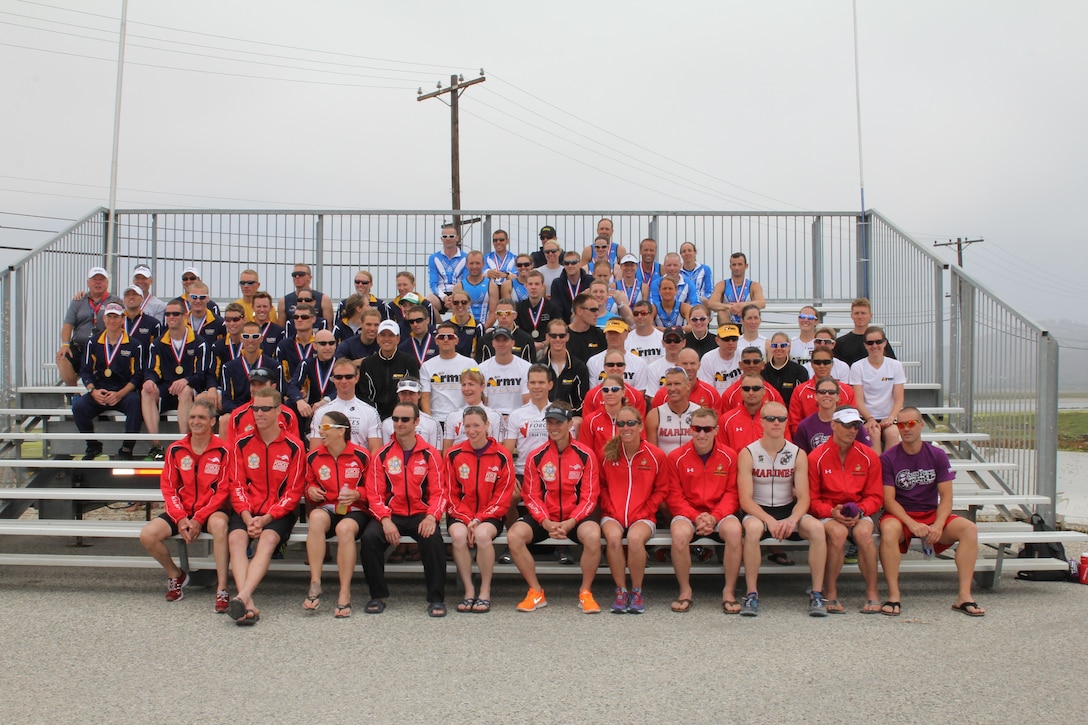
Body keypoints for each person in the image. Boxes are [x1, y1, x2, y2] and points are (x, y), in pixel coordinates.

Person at [878, 406, 984, 618]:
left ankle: (964, 596)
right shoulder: (888, 458)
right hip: (902, 516)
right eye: (901, 424)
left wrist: (937, 524)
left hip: (930, 514)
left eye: (911, 424)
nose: (906, 429)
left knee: (969, 529)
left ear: (921, 425)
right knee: (888, 530)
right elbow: (888, 500)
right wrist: (911, 523)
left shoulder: (937, 455)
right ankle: (893, 595)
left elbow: (946, 497)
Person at [737, 401, 828, 617]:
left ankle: (816, 593)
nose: (776, 423)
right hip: (758, 511)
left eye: (781, 419)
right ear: (762, 422)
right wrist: (768, 519)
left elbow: (805, 497)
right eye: (770, 419)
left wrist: (792, 519)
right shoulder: (748, 453)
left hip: (788, 509)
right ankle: (751, 594)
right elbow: (745, 500)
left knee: (816, 529)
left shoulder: (797, 453)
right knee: (752, 530)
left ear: (787, 422)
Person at [509, 403, 602, 614]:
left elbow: (590, 497)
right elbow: (531, 496)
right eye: (549, 422)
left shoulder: (586, 455)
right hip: (546, 518)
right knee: (514, 535)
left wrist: (571, 522)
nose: (553, 427)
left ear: (570, 424)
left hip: (575, 518)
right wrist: (545, 521)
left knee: (593, 535)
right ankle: (535, 591)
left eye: (558, 422)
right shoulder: (536, 456)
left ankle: (585, 592)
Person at [139, 399, 231, 611]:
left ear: (212, 422)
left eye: (201, 417)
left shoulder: (224, 450)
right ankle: (176, 575)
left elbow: (223, 491)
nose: (196, 421)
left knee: (219, 526)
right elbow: (169, 488)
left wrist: (199, 518)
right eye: (192, 417)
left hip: (212, 511)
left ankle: (223, 588)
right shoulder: (175, 449)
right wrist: (180, 517)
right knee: (147, 535)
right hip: (181, 511)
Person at [225, 387, 306, 625]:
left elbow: (293, 492)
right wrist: (248, 516)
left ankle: (242, 598)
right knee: (236, 540)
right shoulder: (241, 443)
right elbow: (236, 484)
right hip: (247, 509)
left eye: (265, 409)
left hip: (277, 513)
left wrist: (267, 518)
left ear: (279, 411)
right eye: (255, 408)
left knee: (268, 540)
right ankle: (246, 602)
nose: (259, 413)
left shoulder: (295, 446)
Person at [360, 402, 448, 617]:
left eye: (405, 419)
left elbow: (439, 492)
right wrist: (385, 519)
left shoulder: (430, 454)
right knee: (370, 537)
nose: (399, 423)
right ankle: (377, 595)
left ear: (416, 422)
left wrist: (431, 517)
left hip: (421, 513)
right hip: (391, 514)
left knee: (433, 540)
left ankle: (436, 598)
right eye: (395, 419)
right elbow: (374, 494)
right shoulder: (381, 455)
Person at [665, 406, 744, 613]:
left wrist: (715, 517)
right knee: (680, 534)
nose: (701, 434)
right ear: (690, 430)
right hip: (688, 512)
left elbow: (732, 493)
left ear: (716, 430)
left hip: (720, 512)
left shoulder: (730, 456)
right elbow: (674, 496)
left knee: (735, 532)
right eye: (697, 429)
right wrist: (696, 516)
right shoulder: (676, 457)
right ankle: (685, 590)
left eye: (707, 429)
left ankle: (729, 591)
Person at [807, 406, 883, 614]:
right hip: (829, 511)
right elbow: (812, 500)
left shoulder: (869, 456)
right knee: (838, 533)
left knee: (865, 534)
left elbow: (876, 496)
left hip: (859, 511)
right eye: (847, 425)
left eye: (856, 425)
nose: (852, 430)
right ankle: (830, 592)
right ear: (833, 425)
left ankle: (872, 592)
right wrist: (831, 512)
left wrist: (860, 510)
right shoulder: (816, 457)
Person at [302, 410, 372, 618]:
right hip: (329, 507)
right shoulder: (314, 456)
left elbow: (376, 489)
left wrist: (358, 493)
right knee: (315, 518)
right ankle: (315, 582)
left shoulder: (361, 455)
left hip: (356, 509)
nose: (320, 433)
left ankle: (344, 591)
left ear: (341, 431)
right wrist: (311, 490)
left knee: (344, 529)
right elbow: (309, 483)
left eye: (325, 428)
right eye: (319, 428)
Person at [599, 405, 669, 613]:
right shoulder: (607, 453)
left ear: (640, 426)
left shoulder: (656, 455)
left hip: (643, 515)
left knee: (636, 539)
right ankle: (621, 591)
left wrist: (646, 510)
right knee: (612, 538)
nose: (626, 427)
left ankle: (636, 591)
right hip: (613, 514)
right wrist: (611, 509)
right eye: (621, 423)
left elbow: (661, 489)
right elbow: (601, 486)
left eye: (631, 423)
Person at [445, 406, 515, 614]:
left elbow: (503, 497)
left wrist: (479, 518)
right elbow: (450, 493)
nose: (472, 430)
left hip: (490, 514)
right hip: (460, 514)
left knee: (483, 535)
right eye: (467, 426)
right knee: (458, 536)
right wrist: (467, 519)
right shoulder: (453, 454)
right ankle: (468, 590)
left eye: (476, 425)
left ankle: (485, 589)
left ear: (487, 426)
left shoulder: (502, 455)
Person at [142, 298, 213, 460]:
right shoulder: (158, 343)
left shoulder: (199, 343)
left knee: (185, 391)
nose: (171, 317)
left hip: (190, 390)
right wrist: (150, 380)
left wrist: (186, 380)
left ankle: (184, 444)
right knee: (146, 392)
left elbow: (202, 374)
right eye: (168, 314)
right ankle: (156, 446)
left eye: (175, 313)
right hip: (166, 389)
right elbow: (153, 369)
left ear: (185, 316)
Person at [73, 302, 145, 460]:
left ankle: (127, 447)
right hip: (100, 391)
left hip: (123, 392)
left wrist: (120, 394)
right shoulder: (93, 342)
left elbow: (138, 375)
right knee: (78, 406)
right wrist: (93, 391)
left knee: (135, 402)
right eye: (109, 316)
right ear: (104, 319)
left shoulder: (134, 345)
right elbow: (85, 370)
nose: (112, 320)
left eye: (116, 317)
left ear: (122, 319)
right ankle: (93, 445)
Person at [57, 266, 121, 386]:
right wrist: (65, 344)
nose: (98, 282)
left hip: (102, 347)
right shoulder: (78, 300)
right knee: (62, 357)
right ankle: (73, 393)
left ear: (107, 283)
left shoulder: (115, 301)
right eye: (94, 279)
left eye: (101, 279)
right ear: (88, 282)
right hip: (79, 346)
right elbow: (67, 324)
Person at [305, 357, 382, 452]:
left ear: (357, 378)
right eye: (339, 377)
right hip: (330, 465)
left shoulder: (371, 412)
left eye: (348, 376)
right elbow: (315, 451)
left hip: (359, 465)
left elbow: (375, 451)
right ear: (333, 379)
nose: (344, 381)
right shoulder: (321, 412)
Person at [850, 325, 906, 453]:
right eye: (870, 343)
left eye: (878, 342)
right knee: (873, 432)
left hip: (889, 418)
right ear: (865, 345)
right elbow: (858, 400)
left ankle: (889, 470)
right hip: (866, 418)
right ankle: (875, 469)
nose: (874, 346)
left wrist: (891, 418)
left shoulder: (895, 366)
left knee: (892, 433)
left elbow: (899, 398)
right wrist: (869, 419)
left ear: (885, 343)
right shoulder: (857, 367)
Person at [357, 319, 420, 419]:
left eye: (391, 335)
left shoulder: (409, 361)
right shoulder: (368, 363)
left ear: (398, 338)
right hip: (373, 416)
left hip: (401, 416)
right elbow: (363, 395)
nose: (386, 339)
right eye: (383, 335)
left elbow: (413, 392)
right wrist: (374, 414)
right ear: (377, 338)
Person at [219, 321, 283, 418]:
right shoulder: (228, 368)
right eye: (246, 336)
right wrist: (244, 413)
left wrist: (261, 411)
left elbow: (279, 396)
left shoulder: (275, 366)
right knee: (225, 419)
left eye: (255, 336)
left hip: (266, 412)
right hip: (240, 413)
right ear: (241, 338)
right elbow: (226, 401)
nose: (250, 340)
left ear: (261, 339)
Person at [793, 376, 872, 454]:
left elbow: (867, 452)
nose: (827, 395)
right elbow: (800, 456)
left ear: (838, 397)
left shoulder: (853, 422)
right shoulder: (805, 426)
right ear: (815, 396)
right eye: (822, 392)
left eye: (831, 392)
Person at [476, 327, 531, 438]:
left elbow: (527, 401)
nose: (501, 344)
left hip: (518, 417)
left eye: (505, 340)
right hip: (491, 418)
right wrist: (497, 419)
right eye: (498, 340)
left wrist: (512, 419)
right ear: (493, 343)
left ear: (512, 342)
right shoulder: (482, 368)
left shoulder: (526, 367)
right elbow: (483, 401)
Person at [419, 321, 475, 428]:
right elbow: (425, 397)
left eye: (450, 337)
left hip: (463, 418)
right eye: (441, 337)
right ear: (436, 341)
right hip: (437, 419)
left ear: (456, 340)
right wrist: (430, 422)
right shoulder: (427, 366)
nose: (445, 339)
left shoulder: (470, 364)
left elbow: (476, 394)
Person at [788, 349, 857, 436]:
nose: (822, 366)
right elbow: (795, 423)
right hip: (809, 440)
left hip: (840, 439)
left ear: (832, 364)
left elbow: (852, 419)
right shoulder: (800, 391)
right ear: (812, 364)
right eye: (817, 362)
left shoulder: (847, 390)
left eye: (826, 362)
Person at [538, 318, 590, 419]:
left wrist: (565, 415)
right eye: (553, 336)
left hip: (570, 418)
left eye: (562, 336)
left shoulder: (579, 367)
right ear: (547, 337)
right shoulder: (539, 367)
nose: (558, 339)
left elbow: (582, 401)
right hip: (543, 417)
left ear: (567, 337)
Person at [287, 328, 341, 423]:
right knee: (290, 404)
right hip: (311, 409)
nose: (328, 347)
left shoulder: (341, 364)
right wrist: (299, 400)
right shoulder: (307, 364)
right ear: (315, 346)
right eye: (323, 344)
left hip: (334, 406)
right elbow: (293, 386)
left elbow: (346, 388)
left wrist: (326, 400)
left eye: (331, 343)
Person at [444, 368, 502, 452]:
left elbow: (499, 450)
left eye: (471, 384)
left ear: (482, 386)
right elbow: (447, 452)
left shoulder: (495, 416)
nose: (466, 389)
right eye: (463, 385)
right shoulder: (452, 416)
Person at [645, 366, 699, 454]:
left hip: (693, 466)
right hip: (666, 466)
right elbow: (652, 454)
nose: (672, 389)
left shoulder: (699, 412)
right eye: (669, 384)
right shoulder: (655, 415)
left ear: (688, 386)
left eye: (677, 384)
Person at [580, 351, 647, 421]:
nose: (615, 368)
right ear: (604, 367)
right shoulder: (591, 395)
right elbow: (587, 424)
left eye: (619, 364)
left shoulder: (636, 396)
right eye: (610, 365)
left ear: (624, 367)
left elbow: (640, 427)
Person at [586, 318, 650, 392]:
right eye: (610, 333)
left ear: (626, 334)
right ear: (605, 334)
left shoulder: (639, 363)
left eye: (617, 333)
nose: (613, 336)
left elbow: (640, 394)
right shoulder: (593, 362)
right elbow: (593, 393)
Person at [379, 378, 442, 450]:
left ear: (419, 395)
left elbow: (436, 455)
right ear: (398, 395)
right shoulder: (387, 424)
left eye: (411, 393)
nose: (407, 397)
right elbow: (385, 453)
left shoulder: (432, 423)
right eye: (403, 393)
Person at [651, 347, 721, 411]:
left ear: (699, 366)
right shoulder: (662, 395)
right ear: (676, 365)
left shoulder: (711, 394)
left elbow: (717, 422)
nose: (689, 368)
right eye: (685, 363)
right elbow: (655, 419)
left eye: (692, 363)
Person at [718, 347, 784, 413]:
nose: (752, 365)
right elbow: (724, 421)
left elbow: (782, 419)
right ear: (740, 365)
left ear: (762, 365)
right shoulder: (729, 395)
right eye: (747, 362)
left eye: (756, 361)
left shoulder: (773, 395)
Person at [707, 251, 766, 325]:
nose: (737, 268)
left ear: (746, 266)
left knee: (750, 313)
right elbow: (711, 303)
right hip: (728, 324)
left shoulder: (753, 285)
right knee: (722, 312)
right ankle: (728, 336)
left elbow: (762, 303)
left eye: (740, 264)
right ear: (730, 267)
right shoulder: (722, 284)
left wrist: (742, 306)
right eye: (734, 265)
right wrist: (729, 307)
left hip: (746, 325)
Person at [835, 297, 897, 365]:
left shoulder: (879, 341)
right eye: (856, 313)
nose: (860, 316)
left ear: (870, 315)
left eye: (863, 313)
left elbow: (891, 364)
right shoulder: (840, 343)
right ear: (851, 315)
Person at [426, 223, 467, 316]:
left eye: (451, 236)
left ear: (457, 238)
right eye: (445, 236)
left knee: (460, 303)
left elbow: (465, 282)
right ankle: (440, 327)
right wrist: (444, 297)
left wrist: (455, 296)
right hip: (440, 293)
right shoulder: (433, 258)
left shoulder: (466, 257)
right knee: (427, 302)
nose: (448, 238)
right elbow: (433, 283)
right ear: (441, 239)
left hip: (460, 292)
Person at [453, 250, 499, 329]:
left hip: (486, 329)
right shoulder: (459, 287)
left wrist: (482, 329)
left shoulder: (491, 286)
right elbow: (455, 313)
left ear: (483, 264)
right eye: (471, 263)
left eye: (477, 263)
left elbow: (493, 313)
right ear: (467, 265)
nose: (474, 266)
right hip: (465, 328)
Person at [278, 263, 334, 328]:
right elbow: (281, 329)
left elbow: (329, 328)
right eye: (294, 275)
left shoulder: (323, 299)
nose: (297, 277)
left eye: (301, 274)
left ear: (310, 278)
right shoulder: (284, 301)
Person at [763, 331, 809, 408]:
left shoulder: (799, 371)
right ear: (771, 347)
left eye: (783, 345)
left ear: (789, 347)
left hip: (791, 415)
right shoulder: (762, 371)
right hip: (768, 415)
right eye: (775, 345)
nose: (779, 348)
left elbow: (803, 398)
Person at [515, 270, 559, 349]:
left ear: (542, 286)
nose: (533, 287)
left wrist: (543, 344)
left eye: (537, 284)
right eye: (530, 284)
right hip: (524, 347)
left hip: (546, 347)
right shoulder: (518, 307)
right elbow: (516, 332)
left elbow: (556, 331)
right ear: (526, 286)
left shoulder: (553, 307)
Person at [644, 325, 687, 399]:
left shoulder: (690, 366)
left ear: (683, 343)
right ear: (663, 343)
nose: (672, 344)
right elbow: (652, 398)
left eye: (676, 340)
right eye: (668, 340)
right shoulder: (653, 367)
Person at [698, 324, 742, 394]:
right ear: (717, 340)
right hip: (717, 401)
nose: (730, 343)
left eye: (734, 339)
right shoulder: (708, 359)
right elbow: (707, 389)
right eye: (726, 339)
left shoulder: (743, 355)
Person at [550, 250, 593, 322]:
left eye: (573, 262)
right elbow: (557, 310)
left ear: (580, 263)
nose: (570, 266)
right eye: (566, 263)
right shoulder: (557, 284)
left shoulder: (590, 281)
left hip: (586, 322)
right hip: (565, 325)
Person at [566, 291, 607, 364]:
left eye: (597, 310)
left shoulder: (601, 335)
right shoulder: (562, 335)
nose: (597, 314)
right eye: (593, 310)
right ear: (579, 311)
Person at [120, 285, 161, 355]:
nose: (131, 297)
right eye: (127, 295)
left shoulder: (153, 323)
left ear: (142, 298)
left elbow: (156, 350)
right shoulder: (116, 322)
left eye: (135, 294)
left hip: (143, 365)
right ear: (124, 299)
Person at [446, 290, 484, 359]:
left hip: (471, 367)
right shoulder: (446, 326)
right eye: (456, 302)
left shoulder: (478, 326)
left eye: (464, 302)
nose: (460, 305)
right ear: (452, 304)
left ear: (469, 303)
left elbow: (480, 352)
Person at [626, 300, 665, 364]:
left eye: (643, 313)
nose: (639, 317)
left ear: (651, 315)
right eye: (636, 314)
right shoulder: (627, 340)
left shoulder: (662, 338)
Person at [679, 241, 714, 306]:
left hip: (701, 305)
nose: (687, 253)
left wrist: (700, 299)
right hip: (683, 306)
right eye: (684, 251)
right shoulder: (677, 271)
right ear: (681, 254)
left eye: (689, 250)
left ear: (695, 253)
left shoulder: (705, 269)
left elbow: (710, 291)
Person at [253, 291, 285, 356]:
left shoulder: (279, 331)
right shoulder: (246, 330)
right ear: (253, 308)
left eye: (265, 306)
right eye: (258, 306)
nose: (262, 310)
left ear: (271, 308)